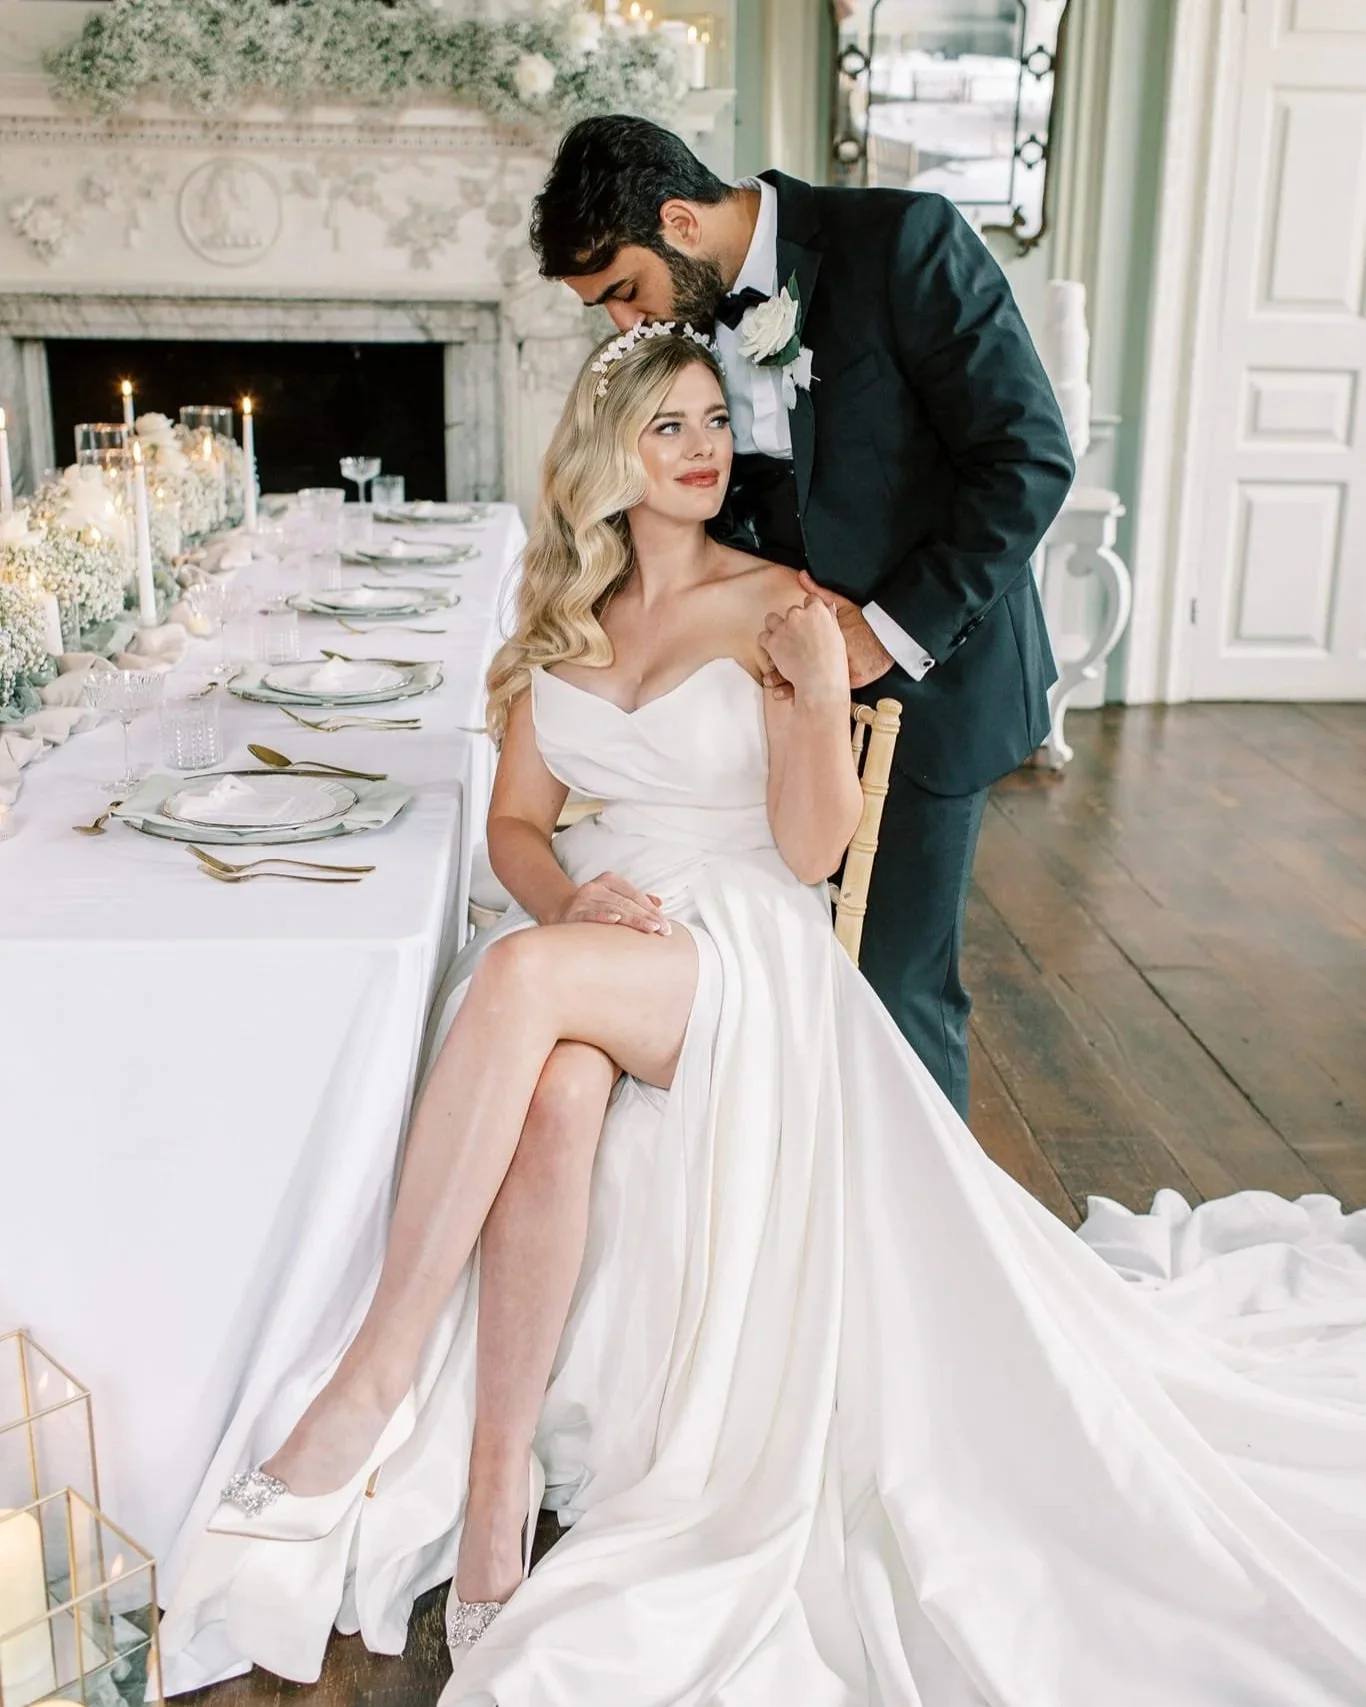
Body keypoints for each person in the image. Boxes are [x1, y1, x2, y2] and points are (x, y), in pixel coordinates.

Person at [160, 327, 1366, 1707]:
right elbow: (514, 823)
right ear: (605, 448)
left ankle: (369, 1379)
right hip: (613, 921)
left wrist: (804, 697)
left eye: (711, 422)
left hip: (738, 943)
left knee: (512, 978)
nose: (701, 447)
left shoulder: (782, 601)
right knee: (550, 1084)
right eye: (668, 424)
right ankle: (495, 1496)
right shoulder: (562, 611)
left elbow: (809, 850)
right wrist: (572, 891)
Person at [528, 115, 1076, 1117]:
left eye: (621, 291)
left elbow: (1026, 462)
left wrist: (885, 631)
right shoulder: (685, 319)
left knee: (891, 979)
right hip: (761, 694)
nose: (620, 324)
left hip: (930, 674)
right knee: (786, 982)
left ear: (681, 222)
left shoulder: (905, 243)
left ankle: (918, 1253)